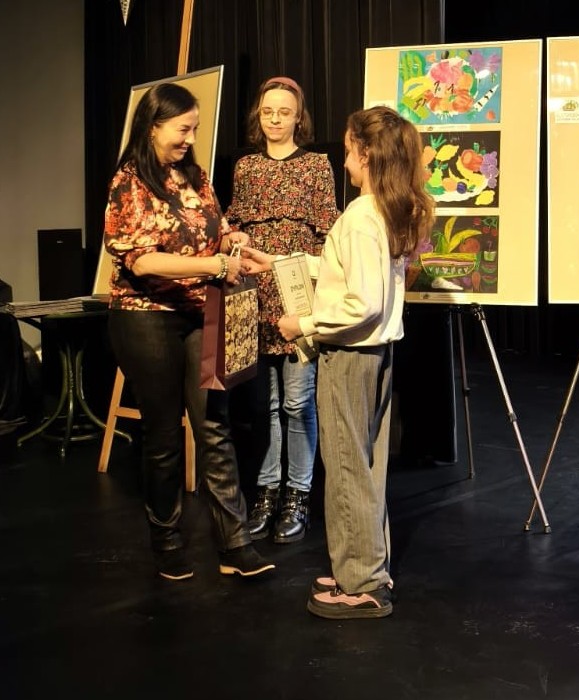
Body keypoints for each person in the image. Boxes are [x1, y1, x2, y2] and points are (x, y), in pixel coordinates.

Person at [242, 105, 434, 618]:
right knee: (366, 466)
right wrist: (278, 262)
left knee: (348, 467)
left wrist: (302, 325)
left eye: (348, 150)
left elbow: (361, 303)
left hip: (350, 356)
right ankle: (364, 567)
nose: (343, 160)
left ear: (366, 153)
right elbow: (343, 270)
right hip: (376, 355)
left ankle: (361, 585)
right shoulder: (386, 211)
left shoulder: (360, 216)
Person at [103, 82, 275, 581]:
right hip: (145, 317)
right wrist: (213, 265)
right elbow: (141, 260)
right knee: (162, 435)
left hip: (203, 313)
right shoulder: (128, 182)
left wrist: (232, 242)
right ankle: (167, 541)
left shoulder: (196, 176)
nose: (190, 138)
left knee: (213, 428)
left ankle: (234, 543)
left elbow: (211, 234)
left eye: (194, 129)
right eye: (183, 129)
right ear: (153, 125)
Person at [226, 77, 338, 544]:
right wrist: (234, 236)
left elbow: (329, 232)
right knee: (266, 404)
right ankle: (268, 490)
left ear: (298, 117)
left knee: (297, 401)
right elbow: (233, 221)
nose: (275, 119)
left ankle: (298, 493)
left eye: (284, 112)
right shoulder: (246, 167)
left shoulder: (316, 166)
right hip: (256, 294)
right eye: (268, 111)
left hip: (296, 294)